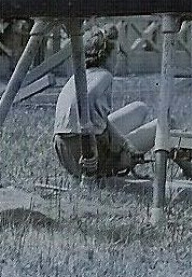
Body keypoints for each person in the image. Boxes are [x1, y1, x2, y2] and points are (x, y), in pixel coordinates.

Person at [52, 26, 156, 178]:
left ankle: (124, 148)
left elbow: (91, 118)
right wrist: (123, 149)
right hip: (90, 157)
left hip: (66, 154)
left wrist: (125, 143)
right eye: (116, 54)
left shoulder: (79, 76)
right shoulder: (104, 77)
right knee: (166, 124)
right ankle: (191, 169)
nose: (118, 59)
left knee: (140, 108)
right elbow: (91, 121)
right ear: (105, 56)